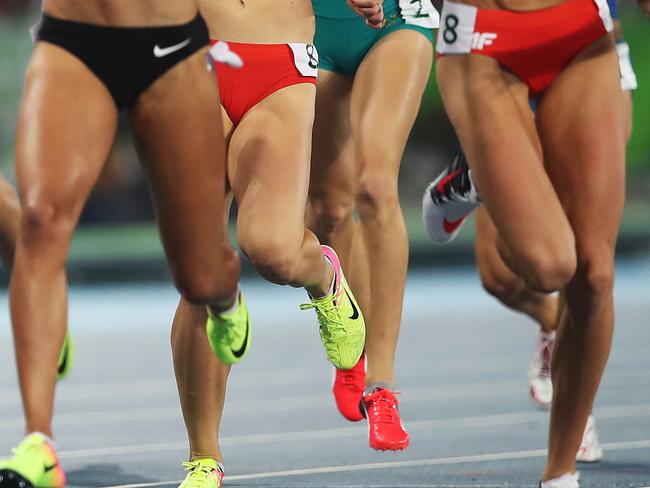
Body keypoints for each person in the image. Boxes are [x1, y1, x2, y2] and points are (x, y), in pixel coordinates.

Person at [0, 1, 241, 487]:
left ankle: (226, 295)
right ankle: (37, 443)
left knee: (199, 275)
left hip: (171, 46)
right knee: (40, 218)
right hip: (73, 39)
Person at [421, 0, 638, 465]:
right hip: (486, 41)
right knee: (523, 271)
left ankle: (562, 464)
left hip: (587, 37)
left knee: (593, 275)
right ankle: (475, 181)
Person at [171, 1, 366, 486]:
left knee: (274, 251)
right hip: (191, 56)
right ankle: (203, 457)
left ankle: (324, 276)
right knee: (201, 266)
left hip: (278, 61)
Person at [306, 0, 438, 450]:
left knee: (376, 187)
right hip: (308, 26)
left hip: (394, 22)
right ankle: (349, 335)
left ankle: (382, 387)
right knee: (328, 208)